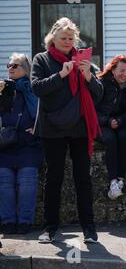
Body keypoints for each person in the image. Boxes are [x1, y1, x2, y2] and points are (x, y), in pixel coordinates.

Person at [31, 17, 103, 243]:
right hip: (53, 126)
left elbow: (99, 94)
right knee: (54, 178)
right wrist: (61, 74)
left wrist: (88, 76)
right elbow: (37, 88)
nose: (67, 41)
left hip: (80, 127)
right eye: (63, 38)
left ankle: (89, 229)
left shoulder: (83, 59)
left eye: (71, 38)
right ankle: (49, 228)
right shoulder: (41, 59)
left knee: (83, 179)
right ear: (52, 37)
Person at [0, 53, 43, 235]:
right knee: (5, 184)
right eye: (9, 65)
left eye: (15, 66)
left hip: (29, 145)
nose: (10, 68)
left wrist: (37, 127)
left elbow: (42, 111)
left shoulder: (33, 89)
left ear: (26, 69)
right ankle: (8, 222)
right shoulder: (3, 89)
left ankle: (25, 222)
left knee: (27, 183)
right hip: (5, 145)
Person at [95, 54, 126, 200]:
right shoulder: (101, 83)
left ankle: (120, 179)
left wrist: (120, 120)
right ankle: (113, 181)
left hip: (120, 122)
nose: (125, 74)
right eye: (121, 70)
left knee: (125, 137)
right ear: (112, 70)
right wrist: (107, 121)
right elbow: (92, 109)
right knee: (110, 139)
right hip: (102, 123)